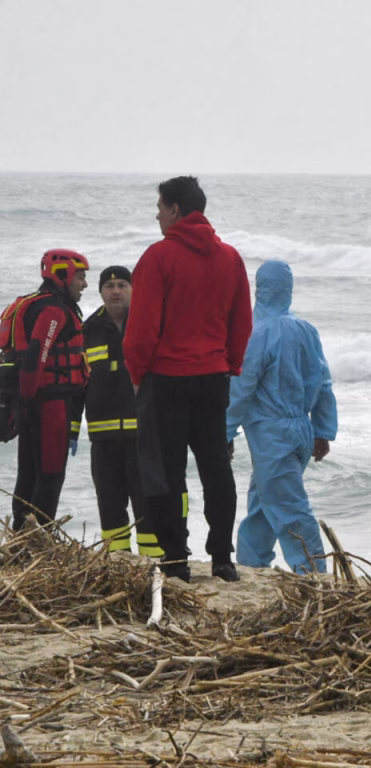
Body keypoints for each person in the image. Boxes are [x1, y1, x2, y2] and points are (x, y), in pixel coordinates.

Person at [124, 176, 252, 583]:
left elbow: (142, 328)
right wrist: (229, 364)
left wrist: (136, 373)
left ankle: (175, 558)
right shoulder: (230, 257)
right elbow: (242, 323)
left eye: (160, 207)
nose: (157, 214)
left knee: (167, 471)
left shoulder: (159, 256)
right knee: (216, 467)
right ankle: (222, 558)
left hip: (166, 378)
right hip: (213, 376)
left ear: (176, 210)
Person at [226, 260, 337, 574]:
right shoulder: (306, 329)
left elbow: (241, 387)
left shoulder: (256, 332)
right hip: (301, 427)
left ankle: (313, 573)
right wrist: (323, 430)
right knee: (264, 502)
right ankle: (251, 564)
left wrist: (225, 430)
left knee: (289, 508)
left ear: (259, 288)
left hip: (271, 432)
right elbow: (324, 383)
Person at [69, 266, 162, 556]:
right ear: (100, 292)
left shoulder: (148, 324)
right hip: (102, 436)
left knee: (148, 501)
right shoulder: (88, 330)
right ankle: (118, 561)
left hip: (144, 433)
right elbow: (76, 386)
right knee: (109, 502)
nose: (116, 291)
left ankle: (154, 561)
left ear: (134, 290)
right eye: (109, 287)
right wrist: (71, 429)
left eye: (122, 285)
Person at [1, 250, 90, 529]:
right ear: (62, 274)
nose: (84, 284)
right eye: (81, 276)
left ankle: (20, 540)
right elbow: (37, 355)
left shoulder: (31, 304)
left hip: (28, 402)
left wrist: (22, 405)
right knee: (50, 476)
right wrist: (27, 402)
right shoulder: (52, 310)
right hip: (48, 404)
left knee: (28, 474)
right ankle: (39, 540)